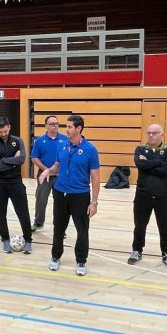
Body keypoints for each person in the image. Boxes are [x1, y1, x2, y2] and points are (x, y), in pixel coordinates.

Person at [39, 114, 100, 277]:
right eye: (66, 126)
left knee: (82, 230)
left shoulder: (90, 150)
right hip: (60, 193)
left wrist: (94, 202)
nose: (66, 129)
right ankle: (55, 256)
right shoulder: (62, 146)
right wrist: (47, 171)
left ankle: (81, 260)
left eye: (69, 127)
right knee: (58, 227)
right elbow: (57, 165)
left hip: (80, 195)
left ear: (79, 129)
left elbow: (95, 177)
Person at [128, 123, 167, 269]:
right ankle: (137, 251)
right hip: (143, 195)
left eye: (154, 133)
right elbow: (140, 165)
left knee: (165, 226)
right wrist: (158, 163)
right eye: (148, 133)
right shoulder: (140, 149)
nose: (150, 135)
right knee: (139, 225)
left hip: (163, 196)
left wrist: (149, 164)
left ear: (161, 134)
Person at [0, 116, 33, 254]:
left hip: (16, 182)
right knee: (1, 214)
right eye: (1, 132)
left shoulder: (18, 141)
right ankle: (5, 240)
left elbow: (22, 159)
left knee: (23, 212)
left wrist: (3, 160)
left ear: (9, 127)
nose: (3, 134)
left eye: (5, 131)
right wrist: (13, 161)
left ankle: (28, 240)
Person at [30, 115, 67, 231]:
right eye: (52, 124)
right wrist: (47, 170)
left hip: (59, 176)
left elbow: (67, 156)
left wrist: (56, 170)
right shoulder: (39, 141)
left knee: (60, 202)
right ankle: (38, 223)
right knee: (41, 200)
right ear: (46, 126)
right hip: (44, 176)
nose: (55, 125)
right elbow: (34, 158)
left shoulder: (65, 140)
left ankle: (59, 227)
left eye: (56, 123)